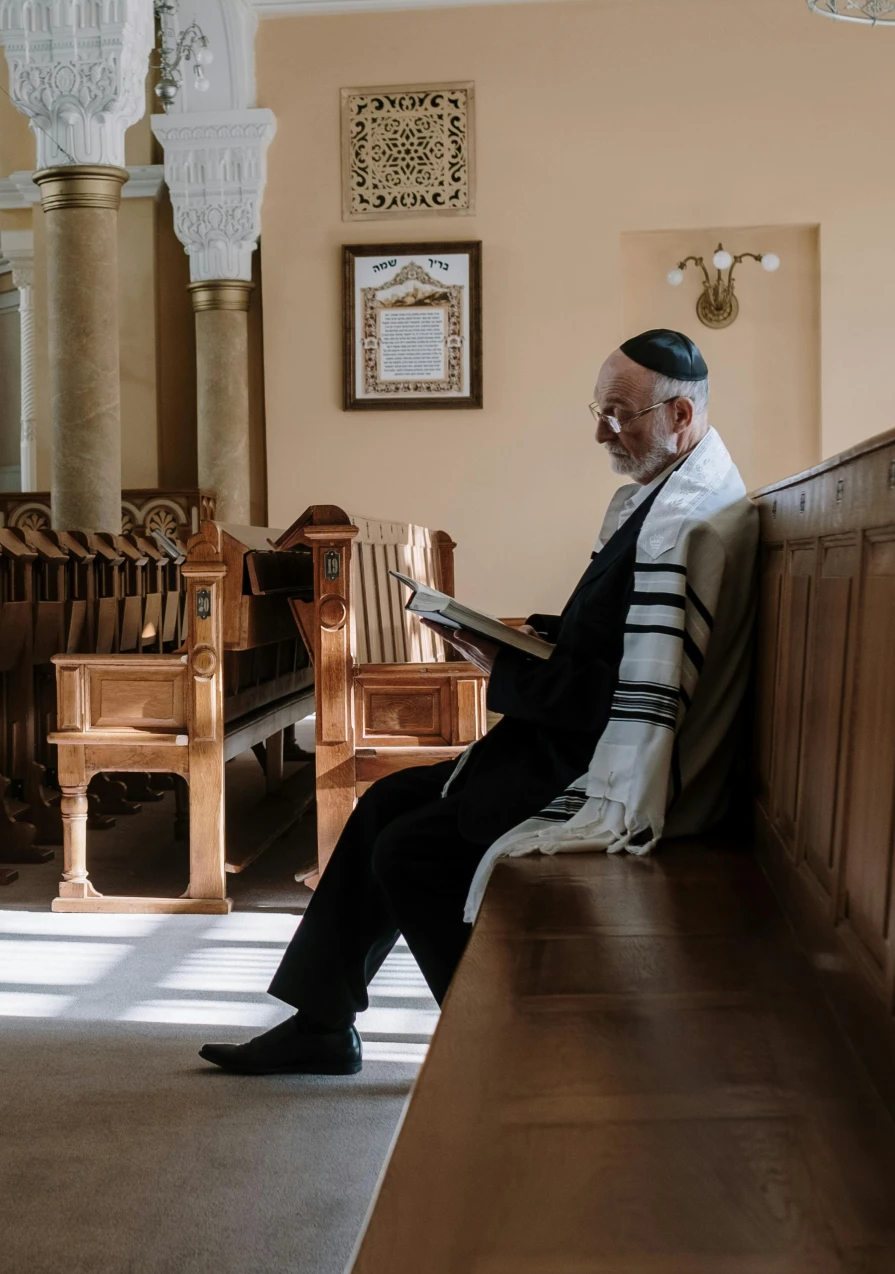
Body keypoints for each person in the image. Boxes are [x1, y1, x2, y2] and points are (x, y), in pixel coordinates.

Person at [201, 328, 760, 1075]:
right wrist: (525, 634)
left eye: (619, 413)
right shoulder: (660, 503)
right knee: (382, 806)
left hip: (591, 767)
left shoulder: (684, 526)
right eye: (598, 410)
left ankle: (508, 1046)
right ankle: (322, 1025)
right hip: (560, 738)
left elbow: (617, 703)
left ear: (681, 415)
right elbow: (614, 646)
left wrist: (502, 665)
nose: (602, 431)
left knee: (412, 851)